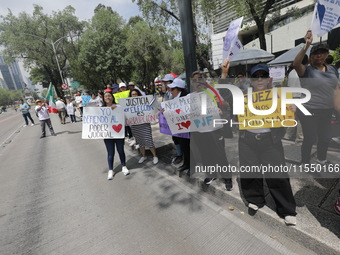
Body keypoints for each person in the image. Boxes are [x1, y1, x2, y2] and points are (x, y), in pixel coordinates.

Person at [223, 60, 297, 225]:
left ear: (269, 80)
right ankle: (255, 199)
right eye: (256, 77)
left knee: (277, 174)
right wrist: (224, 75)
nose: (260, 80)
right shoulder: (242, 98)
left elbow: (289, 118)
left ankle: (286, 210)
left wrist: (293, 109)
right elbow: (225, 99)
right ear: (251, 80)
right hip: (248, 140)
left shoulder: (279, 96)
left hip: (271, 141)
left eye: (263, 76)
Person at [293, 30, 339, 166]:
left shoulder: (332, 70)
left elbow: (336, 88)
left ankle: (322, 160)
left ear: (326, 55)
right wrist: (307, 45)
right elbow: (296, 64)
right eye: (315, 53)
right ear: (311, 56)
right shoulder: (306, 70)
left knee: (325, 138)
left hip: (327, 110)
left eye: (322, 53)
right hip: (309, 110)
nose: (319, 56)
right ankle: (305, 162)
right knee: (310, 138)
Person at [102, 91, 129, 179]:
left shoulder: (119, 107)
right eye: (106, 96)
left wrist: (116, 108)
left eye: (109, 96)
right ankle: (110, 170)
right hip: (108, 135)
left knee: (120, 150)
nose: (108, 97)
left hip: (118, 133)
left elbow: (124, 117)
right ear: (104, 99)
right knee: (110, 153)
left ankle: (124, 166)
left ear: (112, 97)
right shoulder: (101, 109)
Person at [129, 89, 158, 165]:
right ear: (130, 96)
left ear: (139, 95)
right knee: (140, 142)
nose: (134, 95)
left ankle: (155, 156)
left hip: (145, 124)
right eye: (133, 94)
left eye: (136, 94)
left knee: (149, 140)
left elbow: (152, 110)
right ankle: (143, 156)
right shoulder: (128, 105)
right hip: (135, 126)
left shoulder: (144, 102)